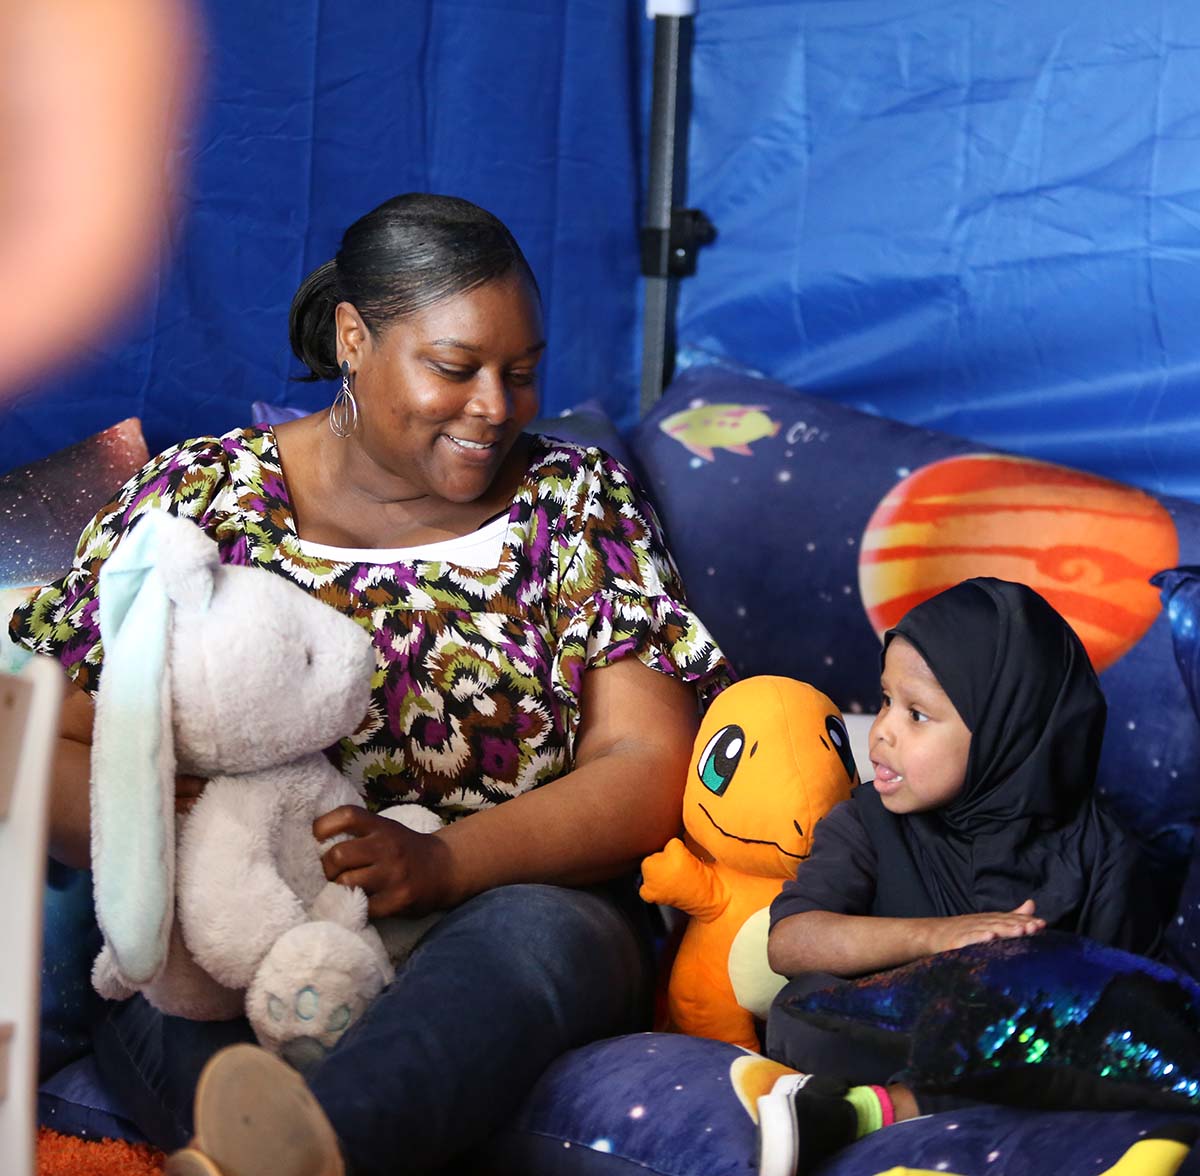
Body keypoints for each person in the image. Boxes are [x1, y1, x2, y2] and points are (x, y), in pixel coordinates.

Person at [9, 192, 729, 1176]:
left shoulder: (576, 500)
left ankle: (310, 1149)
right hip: (245, 920)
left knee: (540, 937)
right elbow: (39, 731)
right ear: (354, 338)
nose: (496, 407)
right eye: (455, 367)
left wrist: (444, 863)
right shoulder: (196, 499)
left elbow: (647, 760)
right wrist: (191, 836)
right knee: (172, 978)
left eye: (521, 374)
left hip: (507, 904)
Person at [755, 576, 1158, 1176]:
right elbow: (790, 942)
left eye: (917, 714)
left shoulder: (1102, 851)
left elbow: (1124, 1008)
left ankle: (889, 1109)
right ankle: (928, 1100)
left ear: (1008, 732)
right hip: (897, 1027)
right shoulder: (868, 821)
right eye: (885, 699)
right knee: (802, 1008)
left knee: (1105, 1056)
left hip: (1026, 1050)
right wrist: (938, 937)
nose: (884, 730)